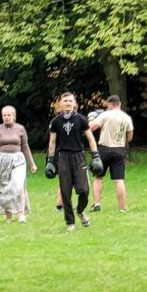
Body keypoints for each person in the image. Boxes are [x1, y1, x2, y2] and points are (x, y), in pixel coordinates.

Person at [47, 92, 100, 231]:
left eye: (70, 101)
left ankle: (81, 210)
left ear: (74, 103)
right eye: (65, 101)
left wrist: (95, 156)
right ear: (60, 103)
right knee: (65, 191)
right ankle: (70, 222)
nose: (68, 103)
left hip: (79, 157)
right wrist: (50, 161)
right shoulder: (55, 122)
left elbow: (90, 138)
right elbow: (52, 142)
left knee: (84, 189)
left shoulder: (81, 119)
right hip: (63, 157)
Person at [0, 105, 38, 223]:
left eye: (9, 115)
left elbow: (25, 147)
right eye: (4, 115)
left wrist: (32, 163)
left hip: (18, 160)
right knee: (6, 187)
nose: (6, 117)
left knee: (18, 185)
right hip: (1, 160)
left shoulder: (20, 129)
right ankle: (8, 215)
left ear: (14, 116)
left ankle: (21, 215)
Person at [89, 95, 134, 213]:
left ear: (109, 104)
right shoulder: (126, 118)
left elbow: (91, 127)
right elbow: (130, 137)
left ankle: (97, 204)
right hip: (119, 150)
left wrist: (91, 119)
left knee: (98, 178)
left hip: (104, 149)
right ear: (119, 104)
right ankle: (122, 208)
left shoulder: (105, 115)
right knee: (119, 180)